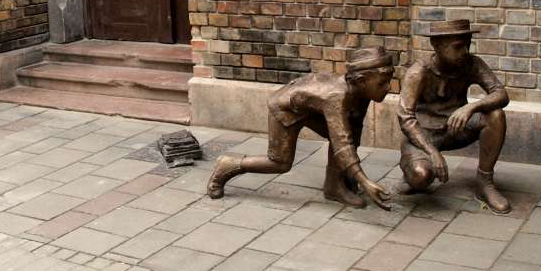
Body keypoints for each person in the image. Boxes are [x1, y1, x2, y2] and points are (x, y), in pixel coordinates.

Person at [207, 47, 395, 210]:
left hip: (308, 107)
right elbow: (341, 143)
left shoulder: (360, 92)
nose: (388, 87)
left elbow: (350, 134)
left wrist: (350, 173)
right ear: (361, 80)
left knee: (351, 132)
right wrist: (365, 181)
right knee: (279, 163)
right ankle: (228, 165)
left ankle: (334, 186)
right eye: (382, 83)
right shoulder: (337, 97)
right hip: (286, 108)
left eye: (388, 80)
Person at [397, 19, 511, 214]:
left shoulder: (471, 63)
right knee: (421, 176)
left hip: (455, 129)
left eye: (468, 44)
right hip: (423, 136)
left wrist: (471, 108)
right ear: (437, 46)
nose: (465, 51)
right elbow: (405, 117)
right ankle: (413, 172)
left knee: (495, 115)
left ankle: (485, 182)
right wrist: (432, 152)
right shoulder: (419, 72)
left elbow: (500, 93)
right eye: (458, 47)